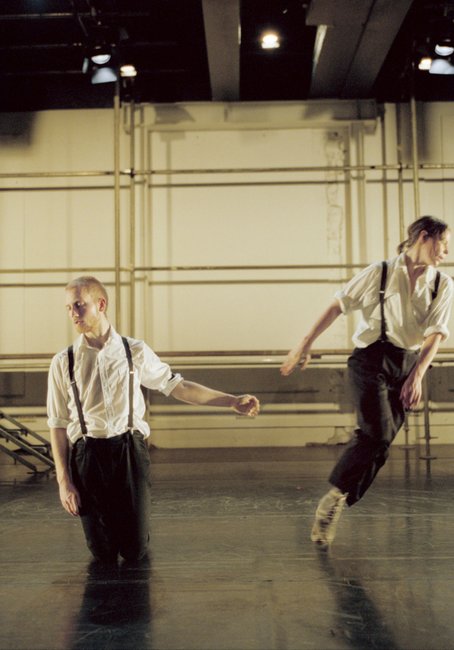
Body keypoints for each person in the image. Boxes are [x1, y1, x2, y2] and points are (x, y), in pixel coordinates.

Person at [47, 276, 260, 563]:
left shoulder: (133, 350)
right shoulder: (64, 361)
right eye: (68, 308)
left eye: (79, 305)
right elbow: (57, 423)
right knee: (102, 553)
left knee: (134, 549)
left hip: (129, 451)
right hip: (87, 455)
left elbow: (179, 387)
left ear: (101, 304)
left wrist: (231, 401)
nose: (73, 313)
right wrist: (64, 482)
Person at [280, 216, 453, 548]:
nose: (446, 250)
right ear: (423, 236)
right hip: (370, 359)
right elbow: (338, 306)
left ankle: (338, 496)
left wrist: (417, 375)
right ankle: (332, 501)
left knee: (381, 442)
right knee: (376, 432)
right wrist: (305, 343)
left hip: (408, 364)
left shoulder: (442, 284)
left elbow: (435, 335)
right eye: (443, 242)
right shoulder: (380, 272)